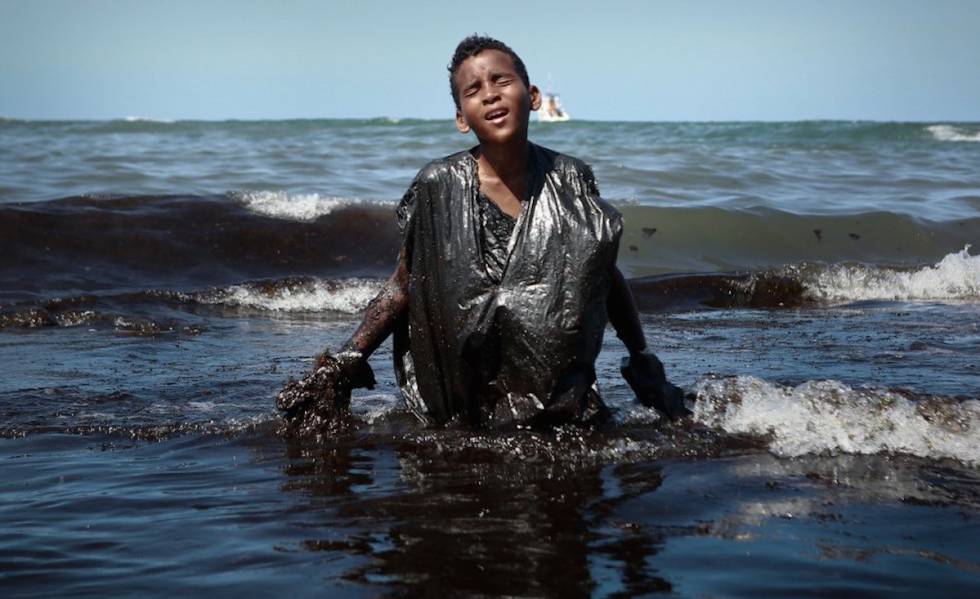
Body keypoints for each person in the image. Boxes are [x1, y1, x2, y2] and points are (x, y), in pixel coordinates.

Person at [277, 35, 688, 430]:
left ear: (533, 96)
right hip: (466, 401)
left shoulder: (571, 178)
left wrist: (642, 356)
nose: (489, 94)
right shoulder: (437, 184)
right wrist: (348, 359)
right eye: (473, 90)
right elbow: (406, 283)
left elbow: (601, 273)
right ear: (461, 118)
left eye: (501, 80)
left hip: (557, 399)